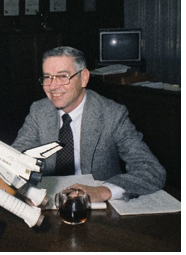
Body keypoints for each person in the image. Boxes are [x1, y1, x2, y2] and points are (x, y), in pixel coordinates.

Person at [11, 46, 165, 203]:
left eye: (62, 76)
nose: (52, 86)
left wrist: (103, 191)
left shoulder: (112, 114)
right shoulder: (39, 111)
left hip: (98, 208)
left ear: (84, 77)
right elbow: (14, 159)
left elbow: (151, 170)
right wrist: (25, 190)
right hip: (48, 201)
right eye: (47, 77)